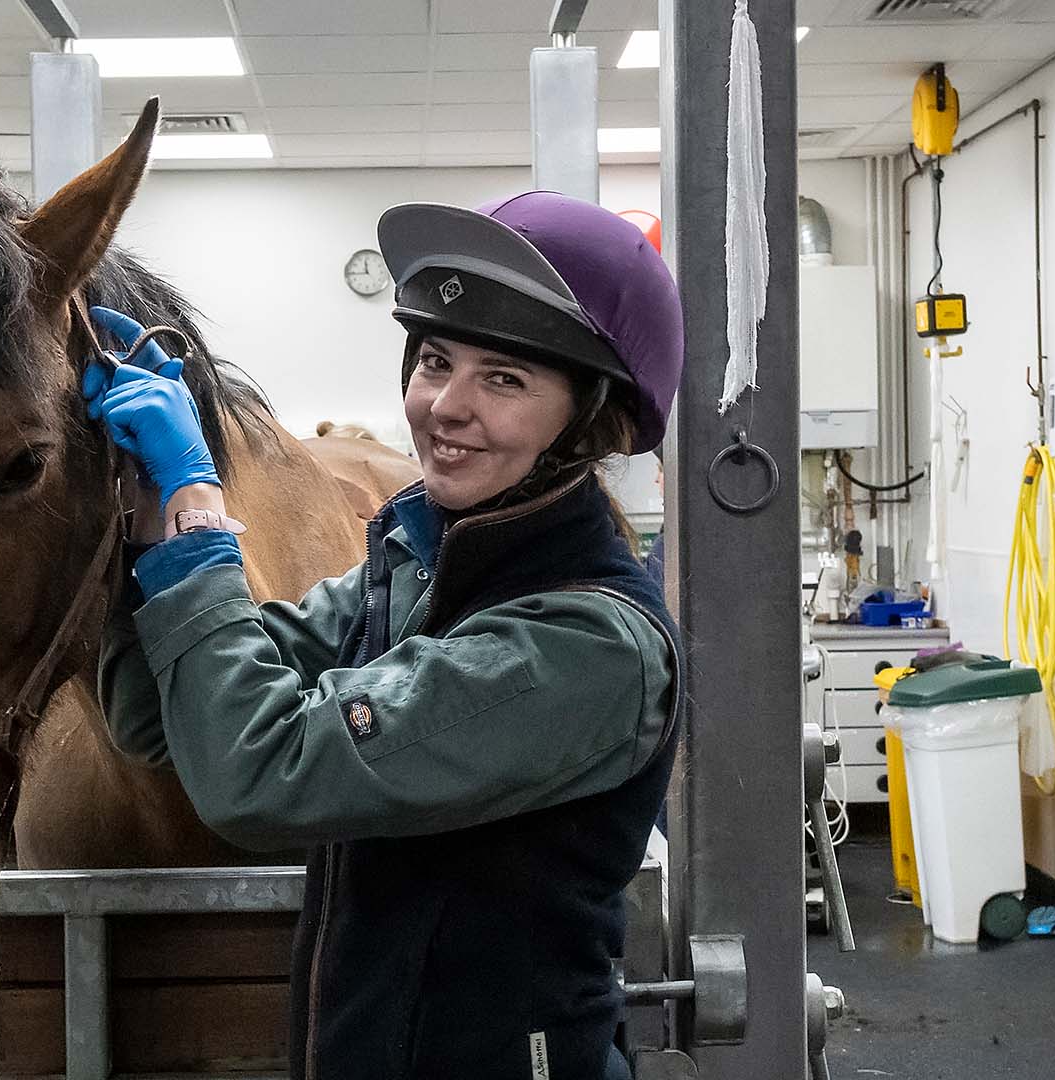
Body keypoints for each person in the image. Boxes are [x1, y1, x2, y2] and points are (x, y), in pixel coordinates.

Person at [84, 192, 685, 1080]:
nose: (445, 405)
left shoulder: (590, 643)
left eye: (504, 379)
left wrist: (197, 511)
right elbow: (154, 715)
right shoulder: (412, 568)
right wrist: (130, 515)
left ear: (589, 423)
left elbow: (258, 773)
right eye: (435, 360)